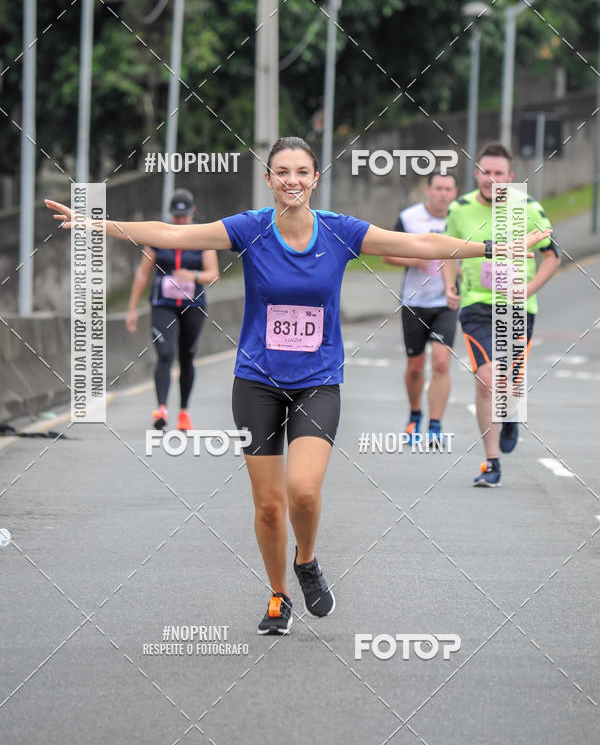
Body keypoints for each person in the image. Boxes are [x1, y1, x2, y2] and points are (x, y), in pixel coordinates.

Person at [45, 136, 551, 634]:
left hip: (318, 382)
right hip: (257, 383)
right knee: (268, 505)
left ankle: (305, 561)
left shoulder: (339, 231)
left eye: (302, 172)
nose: (292, 181)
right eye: (282, 172)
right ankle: (278, 595)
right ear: (268, 179)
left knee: (303, 492)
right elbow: (174, 235)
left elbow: (419, 243)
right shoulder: (249, 228)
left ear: (314, 179)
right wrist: (97, 225)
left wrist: (494, 245)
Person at [442, 142, 560, 488]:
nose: (490, 179)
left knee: (506, 387)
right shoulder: (459, 209)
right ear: (476, 172)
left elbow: (552, 255)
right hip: (476, 304)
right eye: (484, 171)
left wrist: (529, 289)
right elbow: (447, 251)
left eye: (498, 173)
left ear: (510, 177)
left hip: (517, 308)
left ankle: (509, 416)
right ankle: (491, 463)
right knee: (485, 380)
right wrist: (450, 285)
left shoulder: (529, 208)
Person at [124, 189, 219, 432]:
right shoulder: (159, 236)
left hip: (193, 306)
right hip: (163, 304)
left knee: (187, 356)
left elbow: (213, 274)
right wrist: (132, 309)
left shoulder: (203, 237)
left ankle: (184, 412)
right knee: (165, 353)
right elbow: (143, 272)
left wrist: (193, 275)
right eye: (176, 217)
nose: (180, 221)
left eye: (184, 216)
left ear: (192, 212)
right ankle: (162, 409)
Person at [383, 171, 458, 444]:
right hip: (414, 302)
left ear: (455, 192)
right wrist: (416, 260)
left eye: (448, 189)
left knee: (441, 362)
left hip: (446, 302)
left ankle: (435, 424)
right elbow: (386, 253)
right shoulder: (409, 217)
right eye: (438, 188)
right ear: (428, 190)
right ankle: (415, 414)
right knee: (415, 367)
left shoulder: (458, 218)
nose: (442, 194)